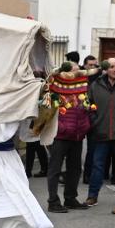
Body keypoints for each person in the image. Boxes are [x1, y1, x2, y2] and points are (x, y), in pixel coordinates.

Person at [41, 64, 92, 212]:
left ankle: (70, 198)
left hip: (77, 135)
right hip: (61, 136)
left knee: (75, 169)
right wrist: (61, 127)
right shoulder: (56, 87)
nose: (78, 73)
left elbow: (87, 108)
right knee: (55, 169)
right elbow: (49, 109)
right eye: (75, 71)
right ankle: (53, 201)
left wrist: (86, 125)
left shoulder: (83, 87)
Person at [84, 57, 115, 206]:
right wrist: (94, 121)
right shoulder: (96, 85)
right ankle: (92, 196)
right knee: (97, 166)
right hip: (101, 132)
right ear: (106, 69)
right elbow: (88, 104)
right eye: (112, 67)